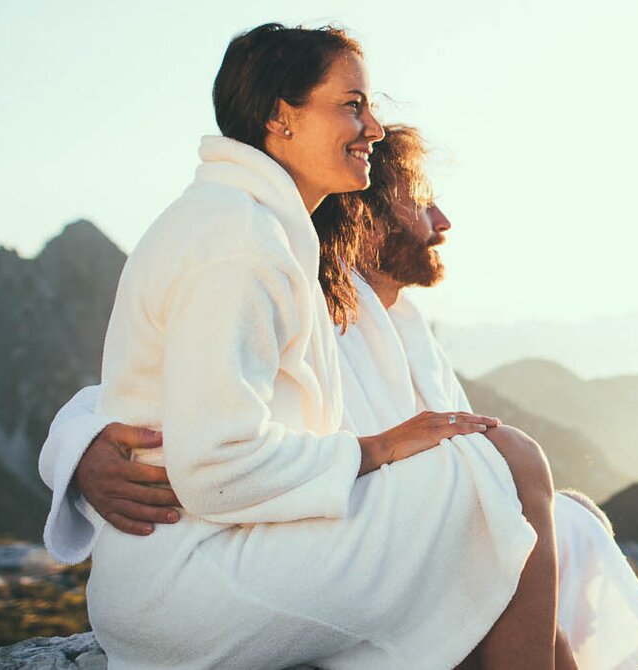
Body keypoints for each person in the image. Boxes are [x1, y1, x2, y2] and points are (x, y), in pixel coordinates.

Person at [58, 23, 572, 669]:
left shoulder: (248, 224)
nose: (374, 126)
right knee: (507, 466)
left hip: (206, 552)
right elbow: (216, 468)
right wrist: (377, 449)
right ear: (281, 116)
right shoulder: (239, 241)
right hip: (197, 581)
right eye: (352, 104)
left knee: (493, 511)